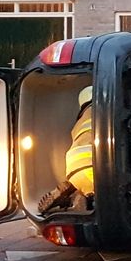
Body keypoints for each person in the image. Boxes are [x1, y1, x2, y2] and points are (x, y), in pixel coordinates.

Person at [39, 85, 94, 214]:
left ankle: (73, 194)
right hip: (95, 166)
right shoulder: (107, 114)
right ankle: (76, 201)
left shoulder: (80, 123)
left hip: (74, 169)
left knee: (88, 185)